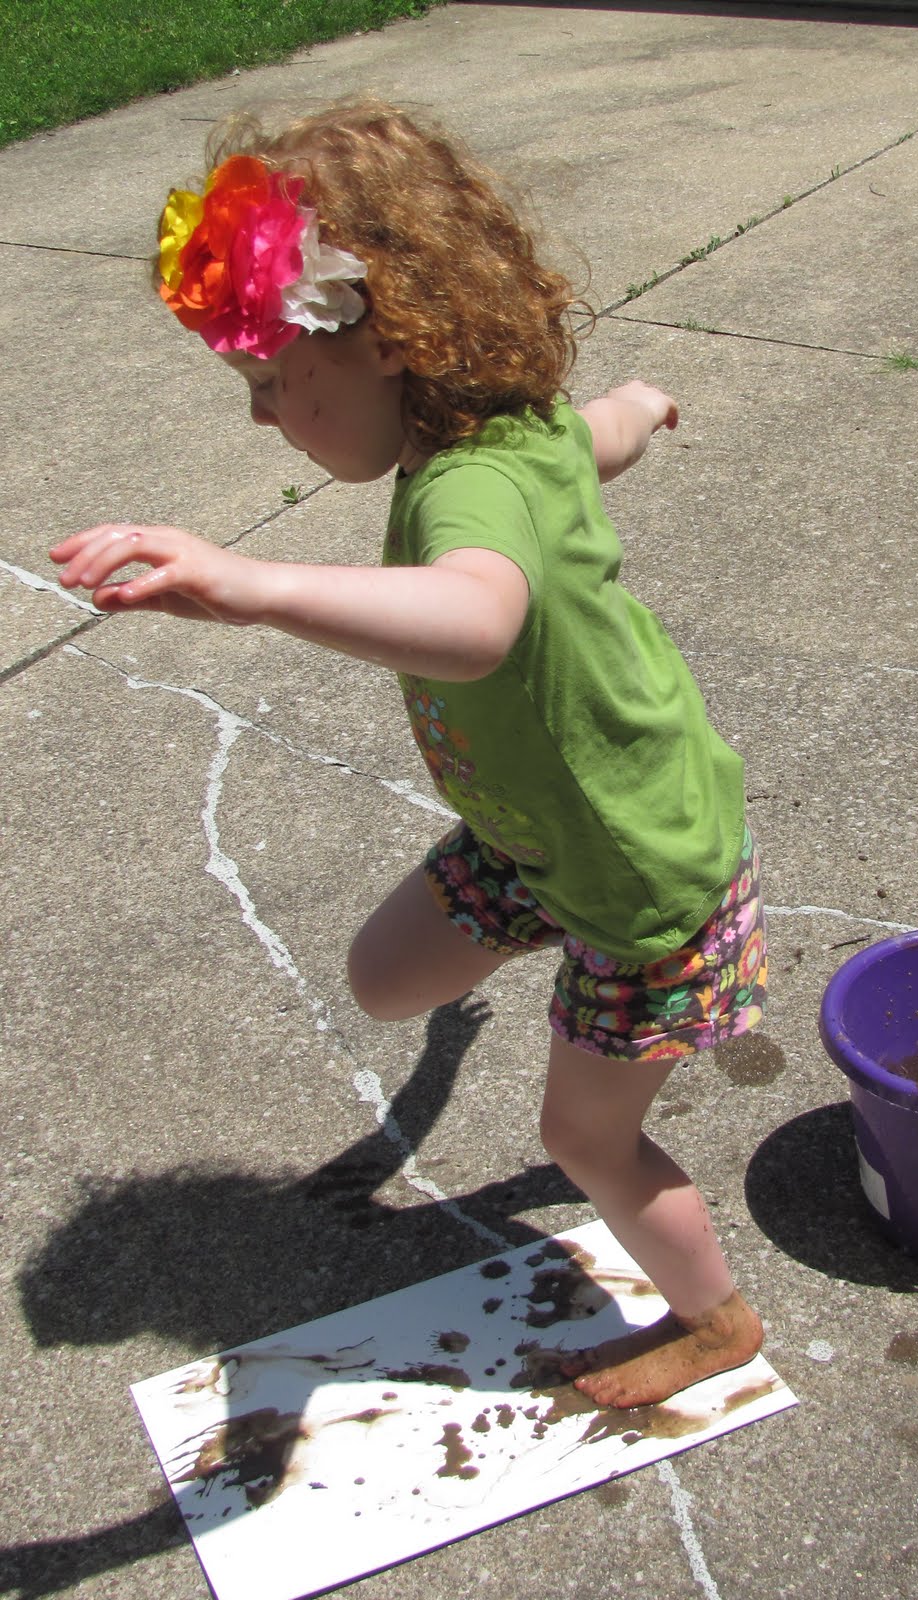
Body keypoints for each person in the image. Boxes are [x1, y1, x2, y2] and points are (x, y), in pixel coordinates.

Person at [51, 99, 766, 1410]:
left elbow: (476, 619)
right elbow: (590, 438)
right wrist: (640, 403)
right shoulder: (512, 427)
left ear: (378, 339)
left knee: (582, 1138)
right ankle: (538, 960)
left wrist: (253, 581)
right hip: (539, 831)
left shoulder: (464, 490)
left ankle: (714, 1321)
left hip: (640, 880)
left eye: (273, 384)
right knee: (387, 980)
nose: (264, 418)